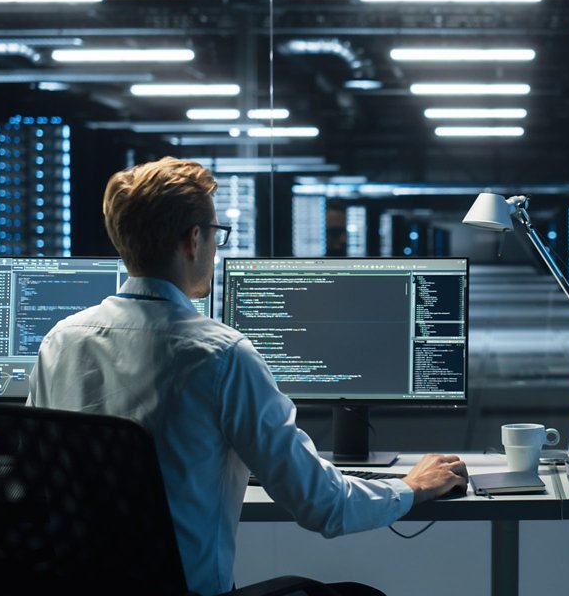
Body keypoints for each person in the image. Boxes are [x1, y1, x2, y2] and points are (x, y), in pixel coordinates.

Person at [27, 157, 467, 596]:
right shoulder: (219, 355)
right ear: (194, 240)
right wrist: (412, 487)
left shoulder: (60, 342)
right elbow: (323, 505)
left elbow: (33, 477)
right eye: (217, 233)